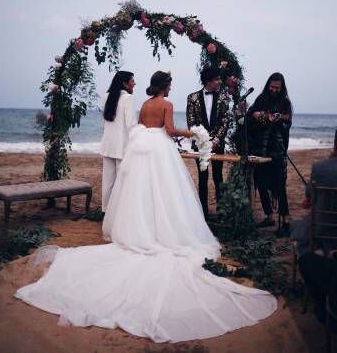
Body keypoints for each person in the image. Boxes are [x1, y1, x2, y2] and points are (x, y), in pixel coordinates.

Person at [15, 71, 276, 343]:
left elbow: (142, 126)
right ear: (165, 86)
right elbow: (170, 131)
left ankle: (144, 228)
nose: (172, 87)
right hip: (159, 149)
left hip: (143, 148)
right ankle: (162, 230)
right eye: (171, 84)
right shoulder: (165, 104)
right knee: (166, 192)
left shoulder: (146, 104)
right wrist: (196, 132)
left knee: (143, 192)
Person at [248, 72, 292, 237]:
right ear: (268, 85)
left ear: (281, 88)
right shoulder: (261, 98)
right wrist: (257, 115)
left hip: (277, 150)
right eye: (272, 87)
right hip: (261, 149)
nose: (274, 90)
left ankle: (286, 221)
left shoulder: (285, 103)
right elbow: (251, 116)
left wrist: (278, 120)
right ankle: (269, 216)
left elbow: (287, 125)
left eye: (277, 88)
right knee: (259, 181)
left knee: (280, 186)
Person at [186, 66, 230, 218]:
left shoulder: (224, 97)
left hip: (218, 145)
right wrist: (204, 141)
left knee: (218, 177)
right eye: (217, 79)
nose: (220, 82)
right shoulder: (192, 98)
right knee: (202, 178)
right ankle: (203, 213)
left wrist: (216, 140)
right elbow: (191, 123)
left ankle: (222, 212)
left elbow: (226, 121)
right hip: (200, 145)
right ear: (208, 81)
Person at [290, 129, 337, 260]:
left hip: (323, 229)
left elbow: (309, 198)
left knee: (297, 228)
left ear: (335, 144)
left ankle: (318, 257)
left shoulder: (320, 168)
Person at [99, 71, 137, 213]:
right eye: (132, 81)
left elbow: (105, 121)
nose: (134, 83)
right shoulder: (128, 98)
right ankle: (120, 213)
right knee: (123, 182)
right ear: (125, 83)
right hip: (123, 146)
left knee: (107, 181)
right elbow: (131, 125)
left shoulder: (105, 96)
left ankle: (106, 211)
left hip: (108, 144)